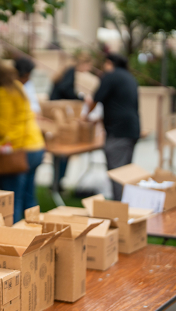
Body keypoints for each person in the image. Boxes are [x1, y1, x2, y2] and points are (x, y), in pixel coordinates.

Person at [0, 59, 45, 223]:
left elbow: (1, 128)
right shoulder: (17, 86)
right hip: (34, 145)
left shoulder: (1, 92)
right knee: (29, 197)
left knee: (10, 202)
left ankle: (12, 241)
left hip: (16, 151)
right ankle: (34, 235)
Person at [86, 53, 140, 201]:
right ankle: (128, 209)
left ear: (109, 63)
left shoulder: (110, 76)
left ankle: (120, 212)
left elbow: (95, 99)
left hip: (118, 132)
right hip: (132, 129)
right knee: (126, 172)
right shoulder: (130, 77)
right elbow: (120, 104)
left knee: (117, 174)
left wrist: (84, 118)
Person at [49, 53, 94, 189]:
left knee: (59, 151)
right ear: (84, 63)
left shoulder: (67, 70)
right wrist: (80, 98)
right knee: (64, 148)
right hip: (60, 113)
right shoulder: (71, 72)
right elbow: (66, 89)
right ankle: (58, 182)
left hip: (56, 111)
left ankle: (57, 181)